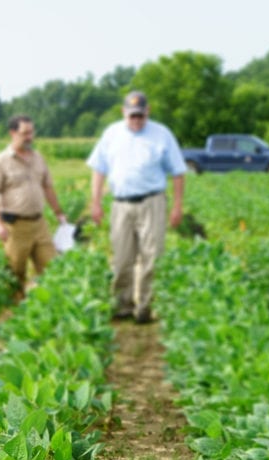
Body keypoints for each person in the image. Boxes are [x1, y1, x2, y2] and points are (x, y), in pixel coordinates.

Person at [87, 90, 186, 324]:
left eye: (140, 115)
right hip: (121, 204)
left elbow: (178, 172)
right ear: (123, 113)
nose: (136, 120)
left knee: (152, 257)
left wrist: (177, 206)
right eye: (132, 116)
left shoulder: (161, 134)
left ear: (148, 112)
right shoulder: (111, 134)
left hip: (152, 202)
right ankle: (122, 305)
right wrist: (95, 202)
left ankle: (144, 308)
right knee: (122, 259)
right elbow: (98, 169)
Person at [0, 114, 66, 298]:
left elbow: (47, 187)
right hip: (15, 226)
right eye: (25, 133)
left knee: (52, 268)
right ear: (13, 133)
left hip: (40, 224)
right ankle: (18, 316)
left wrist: (59, 213)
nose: (30, 136)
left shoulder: (38, 158)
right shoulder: (1, 161)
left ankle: (50, 308)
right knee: (15, 274)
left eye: (32, 132)